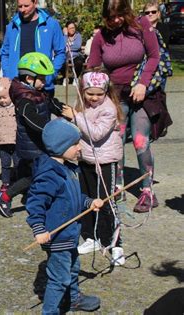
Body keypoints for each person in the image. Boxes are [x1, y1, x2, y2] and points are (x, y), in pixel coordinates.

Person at [87, 0, 160, 212]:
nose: (116, 20)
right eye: (111, 17)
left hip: (141, 93)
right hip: (116, 96)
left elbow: (154, 56)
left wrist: (143, 83)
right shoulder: (101, 36)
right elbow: (93, 66)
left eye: (120, 15)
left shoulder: (141, 26)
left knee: (140, 141)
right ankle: (117, 186)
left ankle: (147, 190)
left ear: (126, 12)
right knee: (116, 141)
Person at [26, 118, 104, 314]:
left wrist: (89, 202)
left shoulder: (69, 168)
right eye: (75, 144)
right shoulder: (49, 174)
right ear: (61, 146)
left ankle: (73, 299)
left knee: (73, 269)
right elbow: (35, 203)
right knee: (59, 279)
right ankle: (50, 311)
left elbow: (74, 196)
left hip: (70, 235)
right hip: (57, 237)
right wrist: (39, 229)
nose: (80, 148)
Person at [62, 69, 125, 265]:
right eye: (90, 93)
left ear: (107, 91)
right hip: (85, 159)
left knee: (106, 202)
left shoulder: (109, 109)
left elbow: (96, 133)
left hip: (104, 161)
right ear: (82, 91)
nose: (94, 98)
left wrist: (75, 117)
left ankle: (116, 244)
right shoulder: (80, 105)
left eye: (99, 93)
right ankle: (93, 237)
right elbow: (76, 127)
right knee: (87, 200)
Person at [0, 52, 64, 217]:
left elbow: (50, 104)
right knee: (35, 176)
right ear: (29, 78)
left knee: (32, 176)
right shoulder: (25, 99)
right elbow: (32, 120)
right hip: (31, 146)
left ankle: (32, 198)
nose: (46, 82)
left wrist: (64, 110)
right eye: (42, 78)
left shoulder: (37, 93)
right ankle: (4, 196)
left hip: (38, 144)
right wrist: (52, 129)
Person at [0, 0, 65, 97]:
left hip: (43, 87)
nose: (22, 10)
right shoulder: (11, 26)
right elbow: (5, 53)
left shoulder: (51, 24)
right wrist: (8, 75)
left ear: (35, 2)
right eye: (20, 6)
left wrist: (50, 75)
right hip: (18, 86)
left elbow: (61, 53)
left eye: (26, 6)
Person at [0, 78, 18, 193]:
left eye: (4, 97)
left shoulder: (16, 109)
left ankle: (18, 181)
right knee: (5, 163)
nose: (2, 101)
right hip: (3, 142)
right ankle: (5, 183)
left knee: (18, 163)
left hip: (16, 141)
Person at [60, 21, 84, 86]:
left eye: (73, 28)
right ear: (66, 29)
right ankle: (65, 77)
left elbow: (77, 46)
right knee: (61, 62)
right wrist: (65, 35)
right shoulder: (63, 36)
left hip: (76, 56)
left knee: (79, 62)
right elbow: (63, 46)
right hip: (66, 56)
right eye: (70, 28)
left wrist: (69, 47)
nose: (72, 29)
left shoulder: (78, 36)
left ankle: (75, 78)